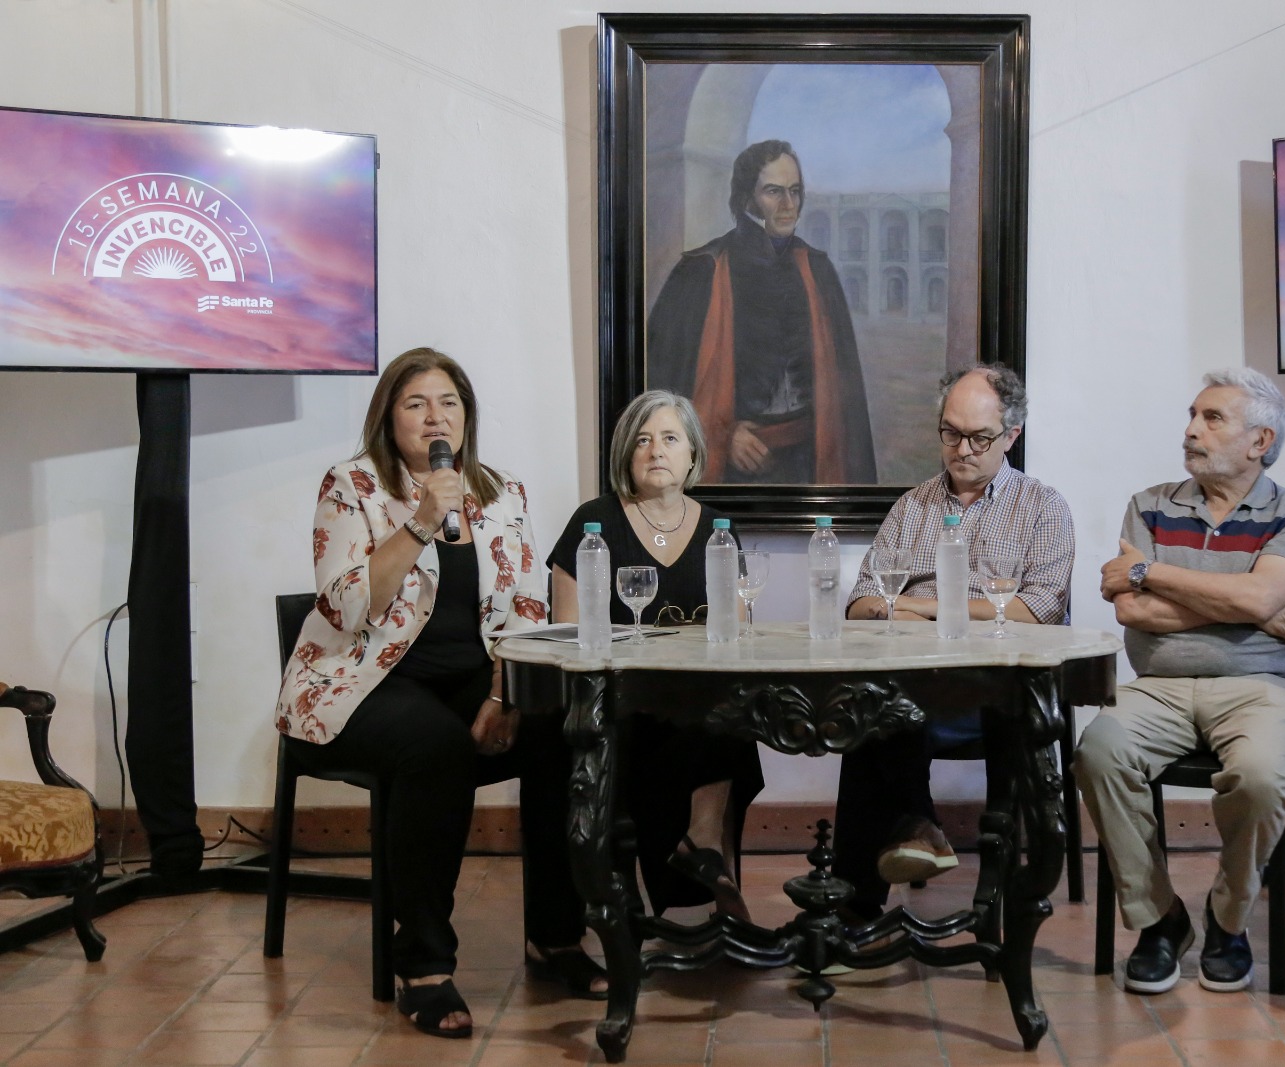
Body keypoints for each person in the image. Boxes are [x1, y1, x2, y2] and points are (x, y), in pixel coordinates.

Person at [275, 348, 605, 1038]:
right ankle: (422, 963)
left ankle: (555, 935)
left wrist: (505, 694)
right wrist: (421, 520)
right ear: (388, 417)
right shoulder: (352, 485)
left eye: (448, 402)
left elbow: (526, 604)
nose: (435, 417)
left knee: (565, 727)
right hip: (363, 680)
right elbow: (345, 607)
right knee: (436, 746)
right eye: (416, 403)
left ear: (466, 416)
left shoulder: (501, 491)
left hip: (472, 680)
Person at [1075, 366, 1285, 995]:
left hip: (1263, 689)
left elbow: (1253, 595)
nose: (1191, 430)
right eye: (1192, 415)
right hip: (1159, 687)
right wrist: (1251, 607)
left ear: (1260, 441)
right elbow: (1133, 611)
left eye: (1212, 418)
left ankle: (1227, 919)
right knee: (1098, 751)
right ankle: (1160, 919)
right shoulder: (1150, 504)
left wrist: (1150, 573)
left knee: (1262, 776)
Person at [832, 364, 1074, 920]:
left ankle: (868, 894)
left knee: (884, 716)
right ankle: (895, 860)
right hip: (910, 682)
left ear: (1011, 435)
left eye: (979, 437)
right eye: (951, 433)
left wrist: (923, 608)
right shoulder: (911, 507)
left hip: (995, 692)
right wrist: (910, 613)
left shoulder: (1043, 507)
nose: (962, 449)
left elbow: (1037, 610)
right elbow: (862, 602)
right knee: (869, 707)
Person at [547, 390, 765, 921]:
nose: (655, 450)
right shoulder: (593, 524)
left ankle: (704, 849)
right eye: (642, 440)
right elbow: (567, 635)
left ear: (693, 455)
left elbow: (739, 632)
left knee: (731, 712)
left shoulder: (718, 529)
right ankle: (703, 874)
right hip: (620, 703)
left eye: (670, 438)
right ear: (626, 455)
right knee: (710, 727)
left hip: (698, 697)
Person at [647, 139, 876, 485]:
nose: (789, 205)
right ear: (746, 198)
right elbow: (662, 391)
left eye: (795, 191)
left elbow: (845, 395)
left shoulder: (817, 269)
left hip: (809, 461)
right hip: (730, 468)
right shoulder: (700, 271)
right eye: (774, 192)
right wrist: (724, 434)